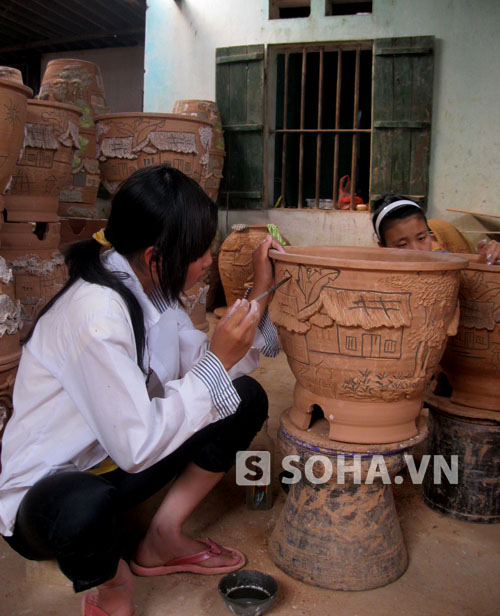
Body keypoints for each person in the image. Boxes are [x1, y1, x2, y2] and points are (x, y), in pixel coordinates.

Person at [0, 164, 285, 616]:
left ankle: (162, 537)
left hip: (112, 460)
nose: (208, 261)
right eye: (199, 252)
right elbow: (137, 446)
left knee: (245, 399)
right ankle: (112, 585)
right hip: (48, 495)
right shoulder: (96, 316)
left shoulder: (152, 290)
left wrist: (263, 288)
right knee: (82, 507)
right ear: (157, 256)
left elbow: (204, 367)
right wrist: (218, 360)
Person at [371, 193, 500, 263]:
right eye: (403, 244)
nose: (417, 250)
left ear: (429, 234)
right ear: (383, 247)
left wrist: (486, 260)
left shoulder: (445, 262)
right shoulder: (375, 274)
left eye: (421, 238)